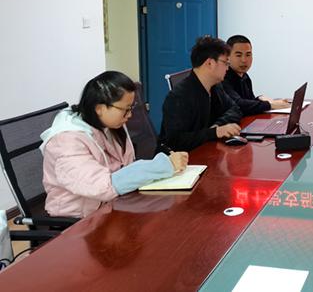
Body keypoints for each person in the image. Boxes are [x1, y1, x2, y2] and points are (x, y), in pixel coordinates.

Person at [41, 71, 188, 218]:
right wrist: (163, 165)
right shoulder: (66, 142)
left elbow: (125, 165)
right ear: (99, 108)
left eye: (131, 108)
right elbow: (102, 186)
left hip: (112, 206)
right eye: (125, 109)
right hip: (77, 221)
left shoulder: (107, 125)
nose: (130, 115)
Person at [160, 36, 243, 151]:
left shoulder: (215, 86)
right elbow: (175, 141)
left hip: (207, 150)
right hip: (181, 158)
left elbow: (235, 109)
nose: (227, 68)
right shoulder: (179, 96)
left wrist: (217, 126)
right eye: (225, 63)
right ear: (210, 63)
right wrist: (214, 132)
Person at [222, 34, 287, 115]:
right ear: (227, 57)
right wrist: (270, 105)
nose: (244, 60)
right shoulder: (222, 77)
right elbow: (238, 104)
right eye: (238, 55)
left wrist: (262, 99)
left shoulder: (245, 76)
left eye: (248, 55)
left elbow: (249, 102)